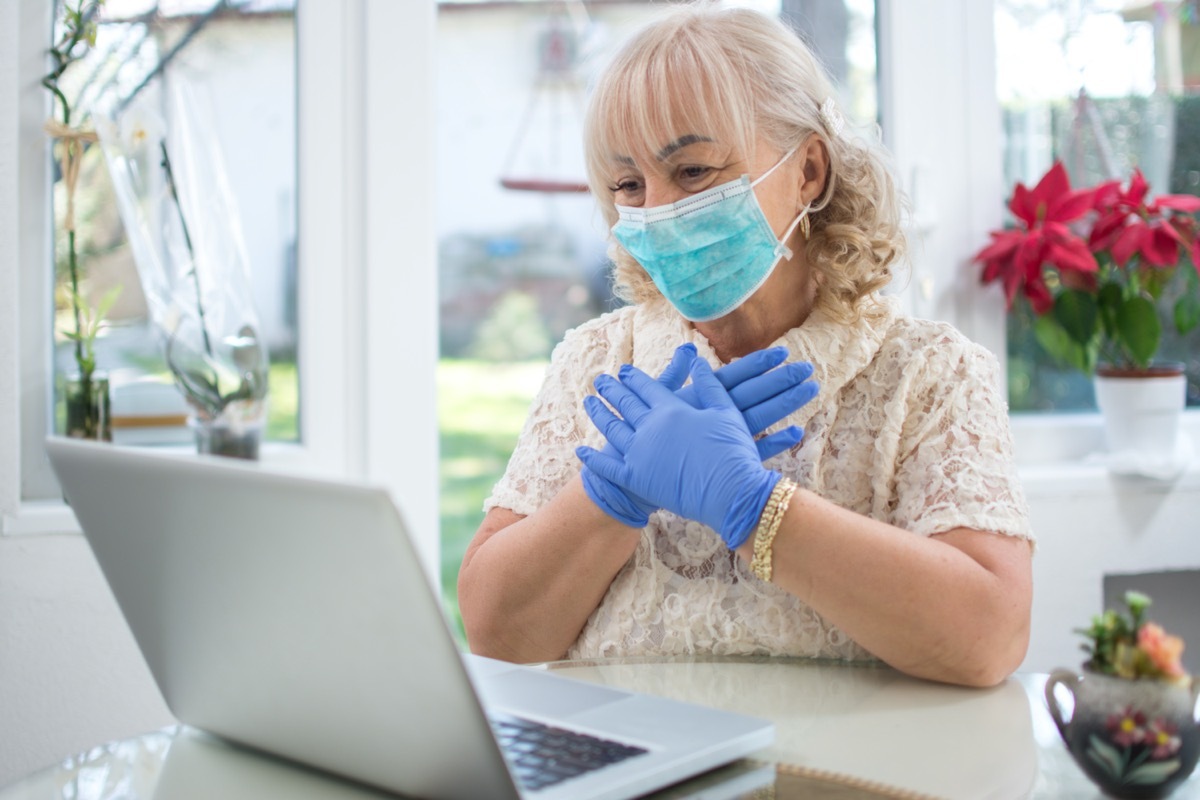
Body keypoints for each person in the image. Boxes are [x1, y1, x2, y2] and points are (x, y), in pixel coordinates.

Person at [458, 4, 1033, 688]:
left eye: (694, 171)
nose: (658, 209)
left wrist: (754, 505)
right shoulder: (593, 364)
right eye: (629, 185)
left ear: (809, 172)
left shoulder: (931, 373)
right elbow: (498, 635)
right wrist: (608, 494)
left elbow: (989, 638)